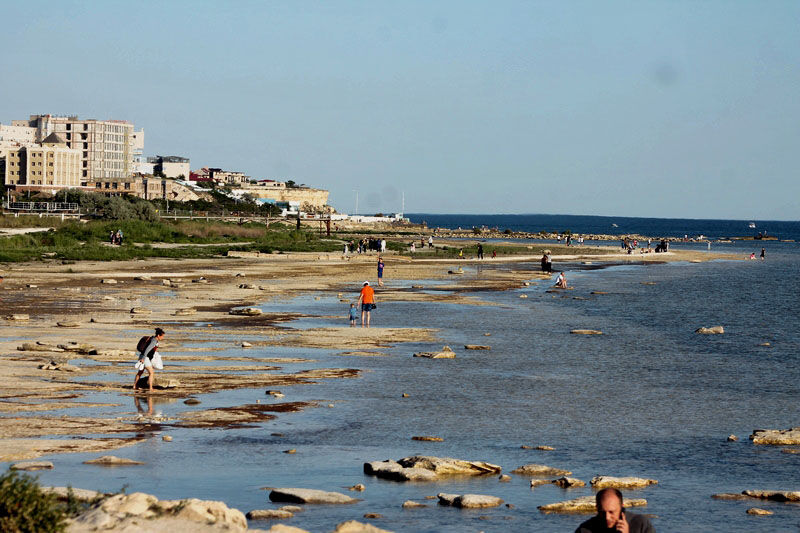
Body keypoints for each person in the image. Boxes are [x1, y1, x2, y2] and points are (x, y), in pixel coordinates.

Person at [575, 488, 655, 533]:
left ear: (621, 506)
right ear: (597, 508)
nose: (607, 517)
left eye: (611, 512)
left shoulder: (641, 524)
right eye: (602, 512)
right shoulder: (585, 530)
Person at [134, 327, 165, 392]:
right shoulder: (154, 341)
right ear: (158, 335)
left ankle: (135, 386)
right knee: (151, 372)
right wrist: (143, 358)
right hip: (145, 358)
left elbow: (151, 351)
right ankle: (150, 388)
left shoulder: (152, 339)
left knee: (140, 372)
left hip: (143, 357)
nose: (163, 338)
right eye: (162, 336)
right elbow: (147, 349)